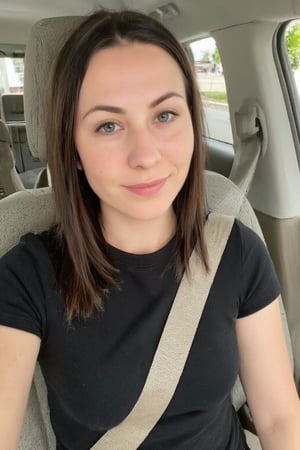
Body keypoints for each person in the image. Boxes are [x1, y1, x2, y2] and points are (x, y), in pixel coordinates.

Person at [0, 9, 300, 450]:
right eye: (108, 125)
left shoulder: (235, 251)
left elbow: (278, 418)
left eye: (164, 116)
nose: (145, 155)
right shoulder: (27, 276)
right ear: (74, 149)